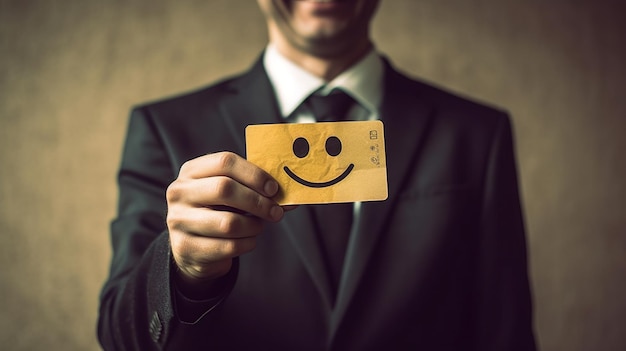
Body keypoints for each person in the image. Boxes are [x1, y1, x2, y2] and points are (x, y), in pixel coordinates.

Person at [97, 0, 537, 350]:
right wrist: (183, 269)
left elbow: (506, 330)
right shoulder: (165, 128)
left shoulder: (477, 134)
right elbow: (122, 337)